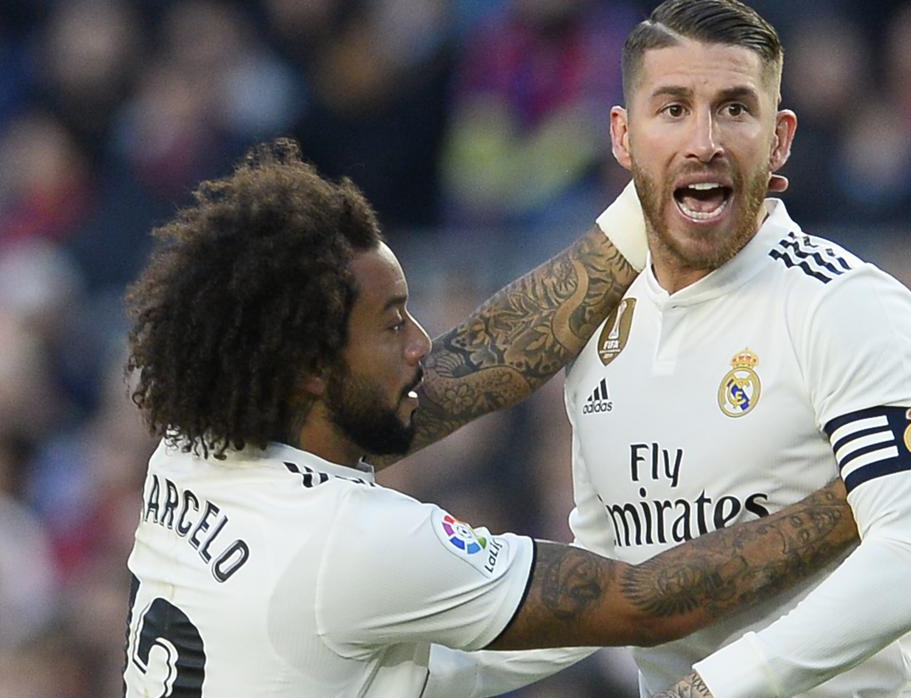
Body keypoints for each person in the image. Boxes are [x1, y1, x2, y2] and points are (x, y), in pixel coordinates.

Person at [119, 139, 860, 696]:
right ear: (310, 365)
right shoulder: (352, 542)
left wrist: (653, 206)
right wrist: (867, 490)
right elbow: (640, 603)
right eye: (393, 323)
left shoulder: (196, 443)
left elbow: (479, 355)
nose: (421, 344)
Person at [425, 1, 911, 696]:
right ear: (623, 136)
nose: (703, 140)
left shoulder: (845, 304)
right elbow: (610, 581)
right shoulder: (602, 331)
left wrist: (718, 686)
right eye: (673, 109)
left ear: (780, 138)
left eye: (735, 109)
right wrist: (423, 676)